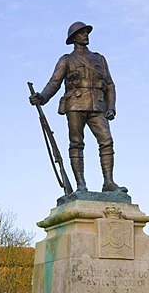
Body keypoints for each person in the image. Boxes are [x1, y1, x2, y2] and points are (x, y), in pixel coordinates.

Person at [30, 21, 127, 194]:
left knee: (107, 141)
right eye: (82, 33)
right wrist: (42, 97)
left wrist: (111, 107)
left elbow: (110, 85)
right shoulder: (66, 60)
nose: (86, 35)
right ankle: (81, 184)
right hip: (75, 103)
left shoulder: (100, 59)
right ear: (74, 38)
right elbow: (54, 83)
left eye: (86, 32)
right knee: (76, 143)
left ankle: (109, 182)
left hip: (98, 104)